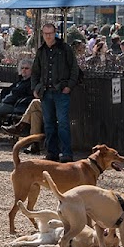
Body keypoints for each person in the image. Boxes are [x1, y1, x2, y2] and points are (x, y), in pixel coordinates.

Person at [31, 22, 79, 162]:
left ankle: (67, 153)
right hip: (45, 92)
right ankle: (52, 152)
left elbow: (74, 69)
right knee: (49, 124)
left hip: (61, 92)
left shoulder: (65, 49)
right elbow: (35, 72)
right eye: (46, 34)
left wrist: (69, 86)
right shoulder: (41, 51)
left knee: (63, 123)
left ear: (55, 33)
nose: (48, 36)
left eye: (50, 33)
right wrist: (35, 88)